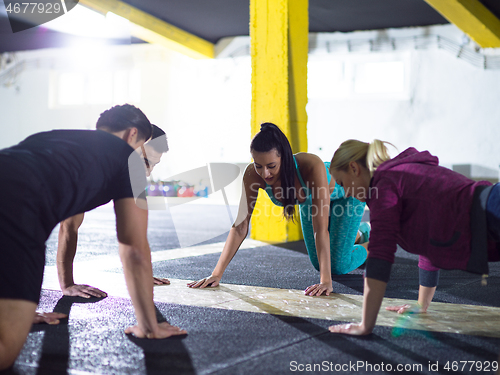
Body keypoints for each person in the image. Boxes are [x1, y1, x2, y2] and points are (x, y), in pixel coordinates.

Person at [0, 104, 186, 371]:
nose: (144, 170)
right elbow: (133, 248)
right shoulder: (125, 157)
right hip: (17, 209)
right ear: (132, 134)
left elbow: (69, 227)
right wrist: (148, 327)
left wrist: (65, 286)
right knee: (6, 349)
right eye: (144, 157)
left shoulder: (60, 141)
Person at [327, 139, 500, 336]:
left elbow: (379, 257)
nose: (346, 193)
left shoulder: (383, 185)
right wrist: (422, 304)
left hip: (492, 211)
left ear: (354, 168)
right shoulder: (398, 175)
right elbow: (429, 240)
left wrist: (365, 325)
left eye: (342, 183)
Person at [187, 123, 369, 296]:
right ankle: (357, 234)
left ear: (284, 157)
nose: (265, 174)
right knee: (318, 263)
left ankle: (371, 239)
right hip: (309, 202)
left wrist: (325, 281)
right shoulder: (252, 175)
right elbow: (240, 226)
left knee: (337, 266)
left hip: (347, 193)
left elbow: (320, 230)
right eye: (259, 166)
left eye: (271, 166)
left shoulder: (311, 166)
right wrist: (216, 275)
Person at [56, 124, 171, 300]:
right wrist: (67, 285)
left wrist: (141, 271)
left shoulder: (129, 176)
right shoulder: (93, 168)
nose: (148, 172)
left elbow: (132, 232)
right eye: (146, 162)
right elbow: (68, 227)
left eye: (154, 165)